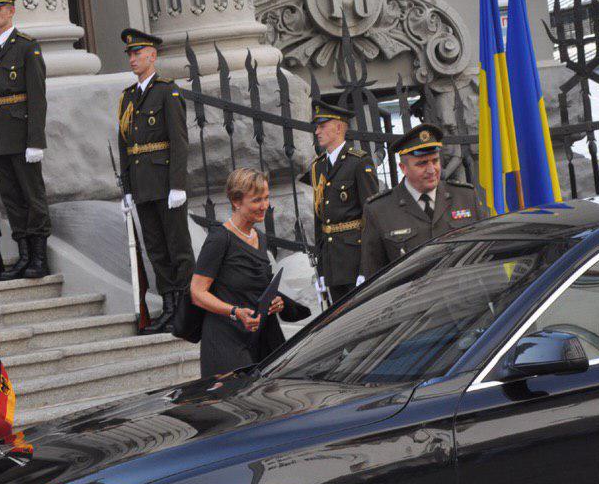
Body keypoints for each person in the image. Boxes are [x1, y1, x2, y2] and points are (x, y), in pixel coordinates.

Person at [117, 27, 194, 333]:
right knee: (156, 250)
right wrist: (127, 189)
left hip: (165, 183)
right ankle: (169, 306)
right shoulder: (128, 97)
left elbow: (179, 141)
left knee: (178, 248)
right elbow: (125, 146)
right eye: (130, 54)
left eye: (137, 53)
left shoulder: (167, 92)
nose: (132, 59)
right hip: (142, 185)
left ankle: (186, 309)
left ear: (152, 55)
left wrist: (178, 185)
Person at [0, 0, 50, 280]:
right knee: (12, 199)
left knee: (32, 195)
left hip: (21, 134)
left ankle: (39, 257)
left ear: (11, 11)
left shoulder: (27, 47)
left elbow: (37, 97)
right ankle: (24, 256)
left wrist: (36, 141)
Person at [191, 169, 291, 379]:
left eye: (266, 198)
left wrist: (275, 301)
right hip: (225, 340)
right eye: (256, 200)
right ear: (236, 202)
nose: (264, 206)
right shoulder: (219, 239)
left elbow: (256, 286)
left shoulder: (260, 237)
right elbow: (197, 293)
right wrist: (235, 312)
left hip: (257, 336)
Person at [360, 123, 484, 278]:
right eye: (422, 163)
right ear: (403, 168)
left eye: (435, 161)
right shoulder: (379, 210)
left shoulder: (465, 196)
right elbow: (374, 276)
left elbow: (485, 256)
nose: (432, 170)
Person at [300, 99, 379, 304]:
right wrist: (321, 271)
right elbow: (320, 220)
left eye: (322, 126)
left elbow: (372, 218)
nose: (317, 131)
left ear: (338, 127)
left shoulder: (358, 162)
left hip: (354, 260)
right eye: (317, 127)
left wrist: (366, 268)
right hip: (331, 262)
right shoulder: (318, 167)